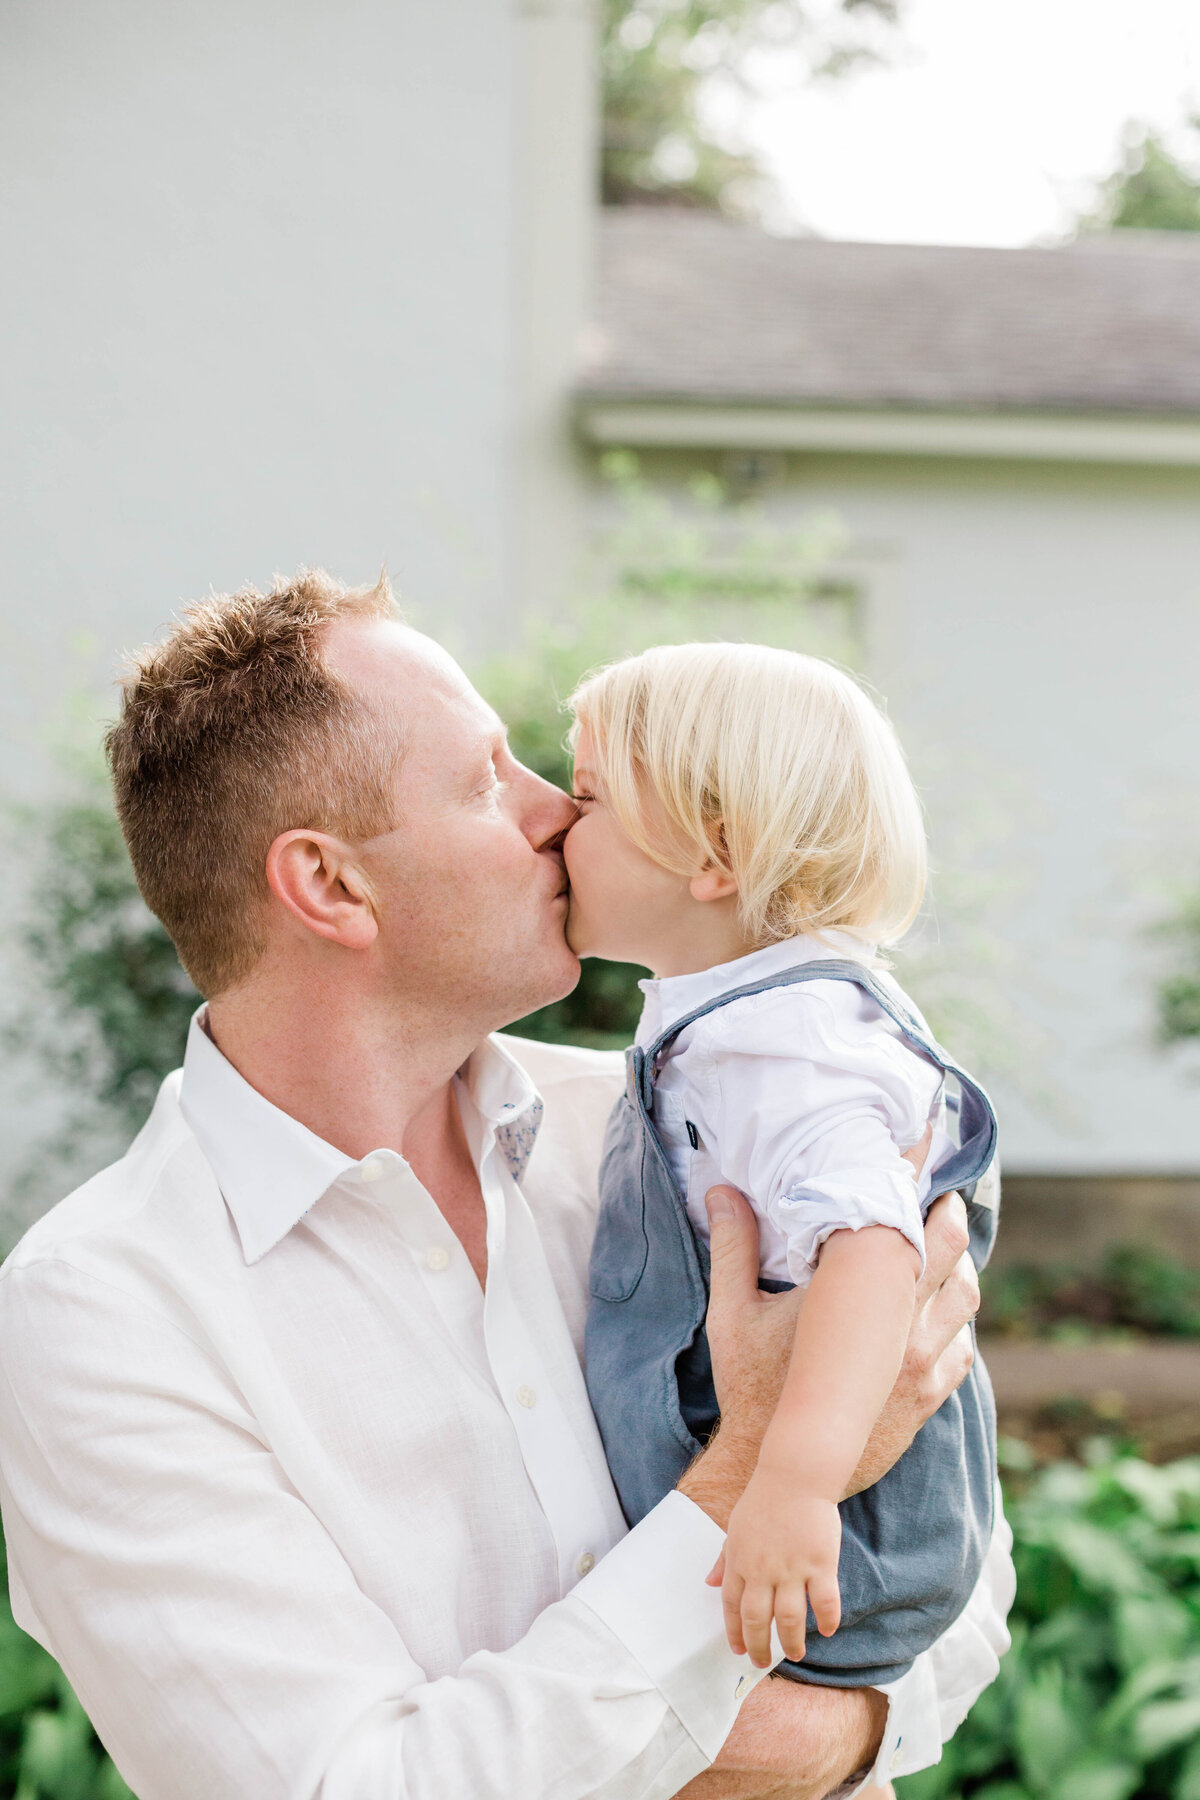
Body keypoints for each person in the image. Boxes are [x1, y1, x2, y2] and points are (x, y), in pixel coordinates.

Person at [0, 571, 1013, 1800]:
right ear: (330, 886)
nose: (556, 814)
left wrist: (806, 1738)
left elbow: (965, 1574)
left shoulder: (686, 1132)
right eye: (489, 780)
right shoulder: (99, 1316)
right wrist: (753, 1468)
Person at [564, 644, 999, 1692]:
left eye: (586, 800)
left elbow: (874, 1248)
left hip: (833, 1541)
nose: (554, 824)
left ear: (713, 853)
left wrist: (797, 1482)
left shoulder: (788, 1040)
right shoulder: (740, 1020)